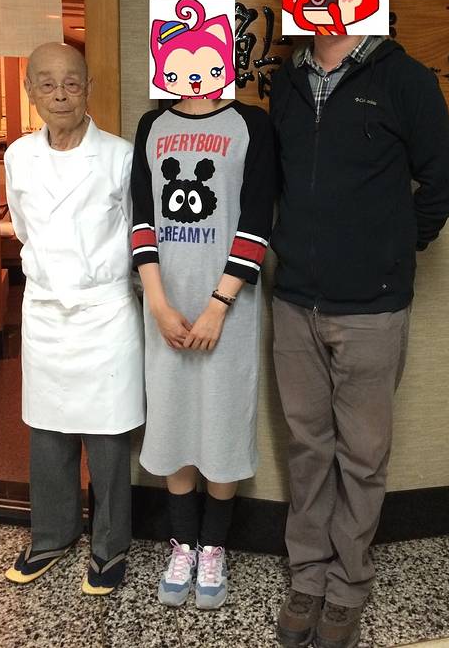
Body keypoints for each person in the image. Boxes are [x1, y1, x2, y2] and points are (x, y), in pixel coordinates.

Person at [270, 33, 449, 648]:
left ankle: (348, 585)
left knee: (362, 455)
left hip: (372, 309)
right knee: (307, 448)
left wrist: (392, 250)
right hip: (294, 300)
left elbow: (441, 184)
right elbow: (280, 180)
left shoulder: (405, 79)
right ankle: (307, 576)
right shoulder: (287, 79)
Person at [3, 42, 144, 595]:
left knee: (107, 435)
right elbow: (23, 227)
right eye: (46, 83)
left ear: (88, 88)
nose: (59, 94)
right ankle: (51, 535)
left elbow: (137, 232)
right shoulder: (19, 156)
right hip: (44, 310)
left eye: (71, 83)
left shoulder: (119, 155)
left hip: (104, 310)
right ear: (30, 91)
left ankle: (110, 546)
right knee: (47, 431)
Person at [131, 92, 275, 610]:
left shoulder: (251, 124)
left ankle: (213, 547)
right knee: (171, 419)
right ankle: (183, 546)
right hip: (166, 305)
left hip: (228, 307)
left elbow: (257, 220)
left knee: (222, 420)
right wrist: (157, 303)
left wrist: (218, 306)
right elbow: (142, 219)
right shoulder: (152, 125)